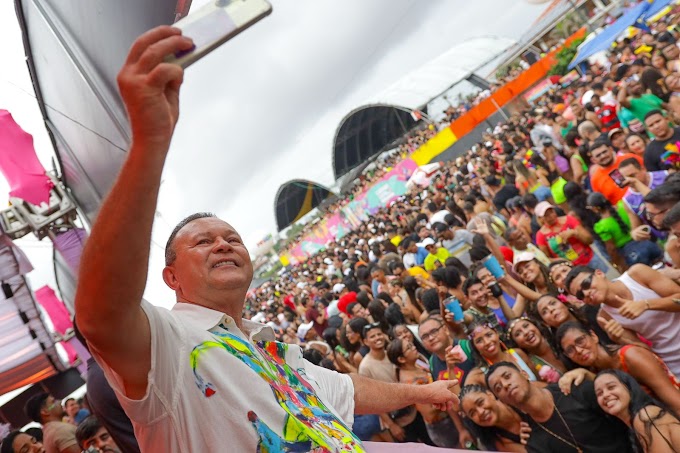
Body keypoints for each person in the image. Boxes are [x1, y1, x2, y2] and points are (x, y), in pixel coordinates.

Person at [74, 26, 458, 452]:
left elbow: (344, 391)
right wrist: (149, 143)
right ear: (171, 277)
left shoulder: (268, 346)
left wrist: (421, 394)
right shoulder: (167, 345)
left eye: (231, 238)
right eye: (202, 242)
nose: (223, 244)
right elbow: (100, 314)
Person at [486, 361, 634, 453]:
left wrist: (589, 375)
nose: (505, 385)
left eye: (507, 376)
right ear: (502, 401)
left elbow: (630, 407)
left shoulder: (572, 389)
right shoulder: (533, 441)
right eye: (498, 388)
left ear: (524, 374)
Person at [565, 265, 680, 376]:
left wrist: (646, 304)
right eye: (580, 295)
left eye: (586, 284)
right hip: (673, 363)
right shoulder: (604, 318)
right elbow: (646, 352)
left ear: (599, 273)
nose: (586, 293)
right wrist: (620, 339)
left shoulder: (637, 274)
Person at [556, 322, 680, 413]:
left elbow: (673, 399)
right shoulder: (596, 372)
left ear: (593, 336)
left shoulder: (630, 356)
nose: (578, 350)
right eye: (570, 350)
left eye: (580, 341)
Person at [594, 370, 680, 452]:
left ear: (629, 387)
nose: (605, 395)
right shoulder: (636, 421)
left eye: (611, 387)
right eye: (599, 393)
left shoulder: (645, 416)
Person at [534, 201, 610, 273]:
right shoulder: (540, 236)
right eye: (546, 215)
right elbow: (546, 259)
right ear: (541, 218)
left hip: (590, 260)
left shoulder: (569, 220)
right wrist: (559, 260)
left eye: (552, 211)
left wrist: (574, 233)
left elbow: (589, 240)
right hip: (573, 270)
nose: (551, 216)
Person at [459, 384, 530, 452]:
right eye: (473, 413)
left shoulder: (514, 396)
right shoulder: (499, 442)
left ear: (490, 395)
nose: (480, 412)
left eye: (480, 402)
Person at [588, 137, 643, 206]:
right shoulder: (595, 179)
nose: (603, 156)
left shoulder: (630, 158)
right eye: (598, 155)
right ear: (593, 160)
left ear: (611, 149)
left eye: (604, 152)